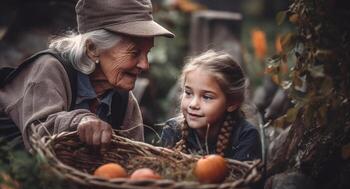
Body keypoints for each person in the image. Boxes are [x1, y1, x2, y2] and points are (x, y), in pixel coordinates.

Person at [0, 0, 174, 150]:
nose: (145, 65)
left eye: (147, 52)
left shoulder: (123, 100)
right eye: (134, 52)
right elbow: (39, 132)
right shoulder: (50, 69)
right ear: (92, 49)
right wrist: (80, 121)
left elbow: (134, 160)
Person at [160, 50, 261, 161]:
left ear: (232, 103)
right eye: (188, 93)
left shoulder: (245, 136)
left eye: (207, 97)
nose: (193, 104)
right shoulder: (173, 130)